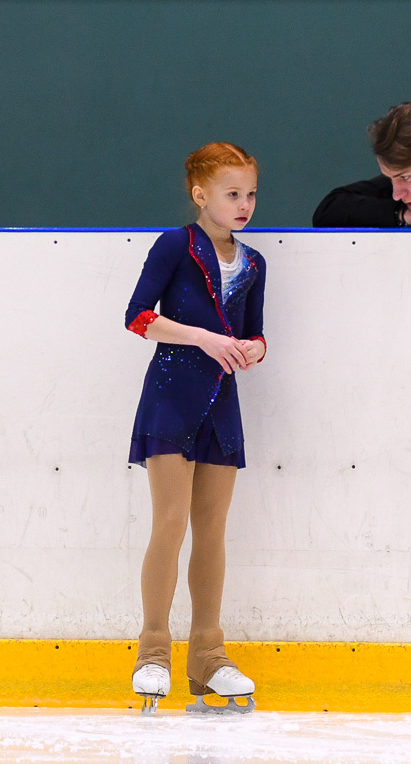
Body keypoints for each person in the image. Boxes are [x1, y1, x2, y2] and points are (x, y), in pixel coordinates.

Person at [124, 142, 267, 715]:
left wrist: (253, 348)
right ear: (200, 194)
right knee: (171, 521)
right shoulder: (175, 245)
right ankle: (153, 650)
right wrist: (205, 338)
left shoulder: (254, 262)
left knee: (213, 529)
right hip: (171, 399)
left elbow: (256, 332)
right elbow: (138, 316)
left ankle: (207, 653)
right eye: (233, 194)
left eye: (251, 193)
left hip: (221, 404)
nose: (245, 204)